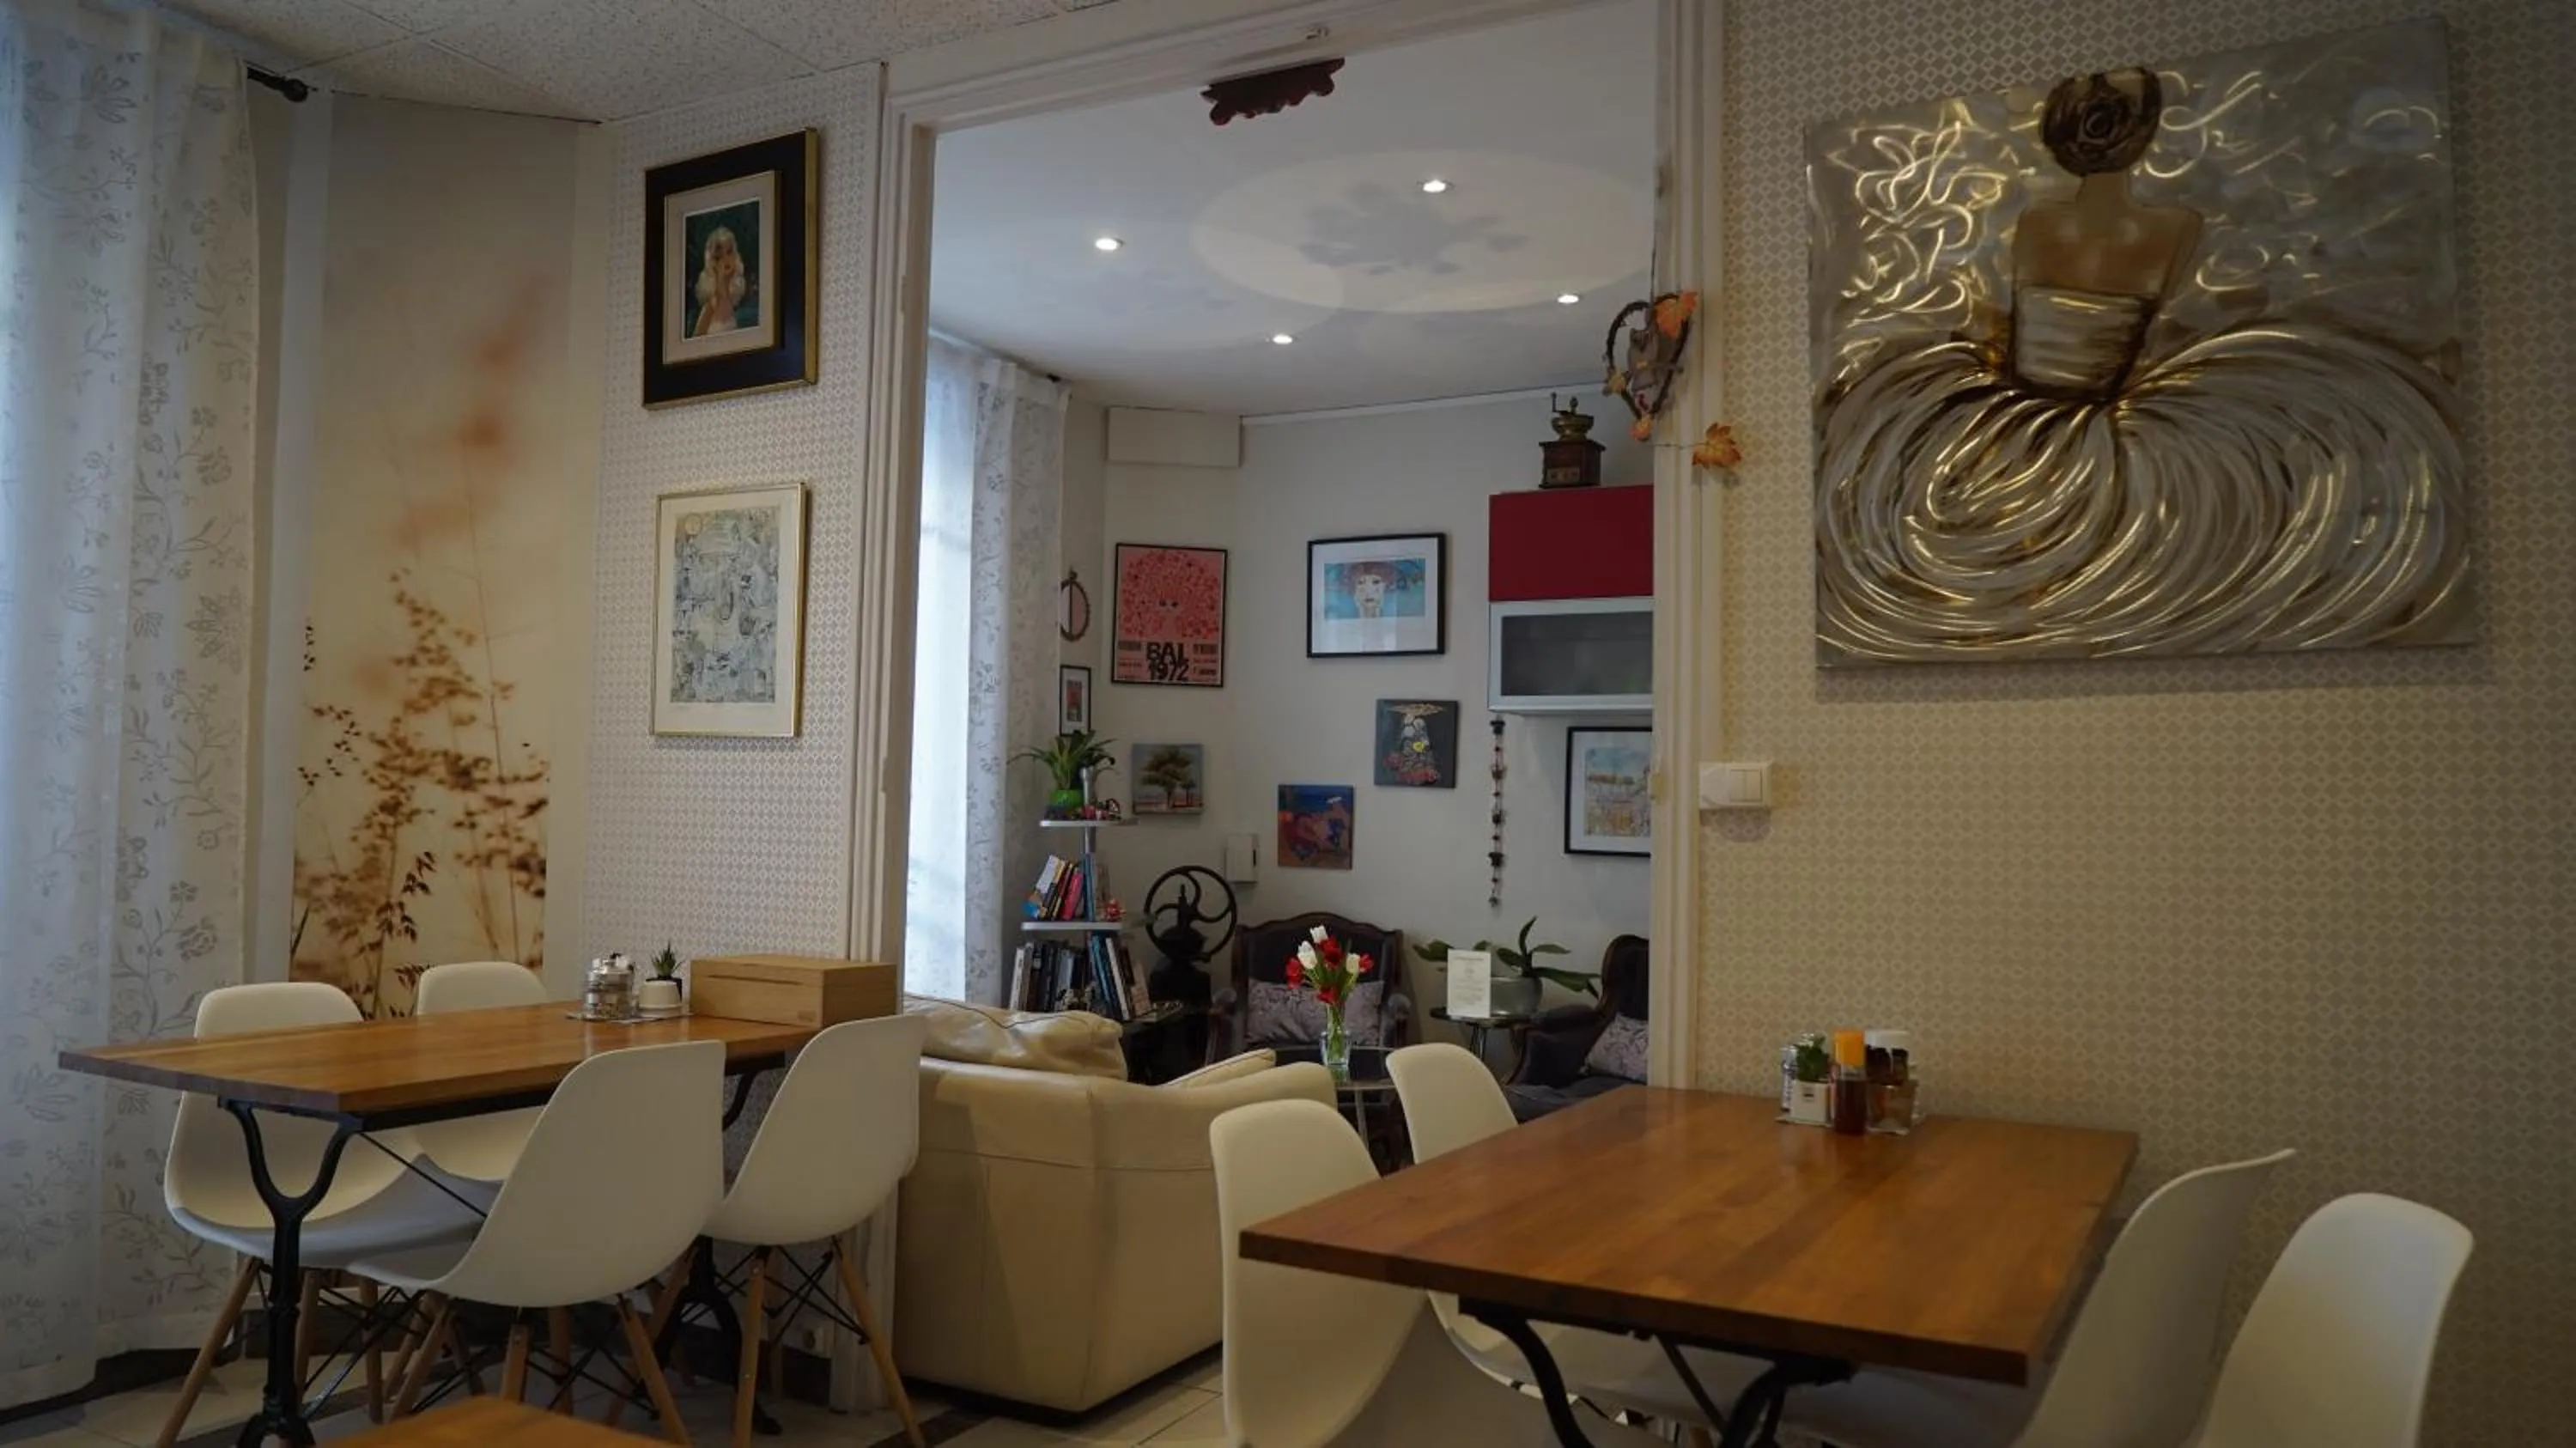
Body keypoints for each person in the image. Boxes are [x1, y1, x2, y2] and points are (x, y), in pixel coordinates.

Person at [1815, 67, 2463, 661]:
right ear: (2144, 131)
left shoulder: (2041, 224)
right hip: (2086, 417)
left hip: (2026, 416)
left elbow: (2019, 331)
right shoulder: (2171, 229)